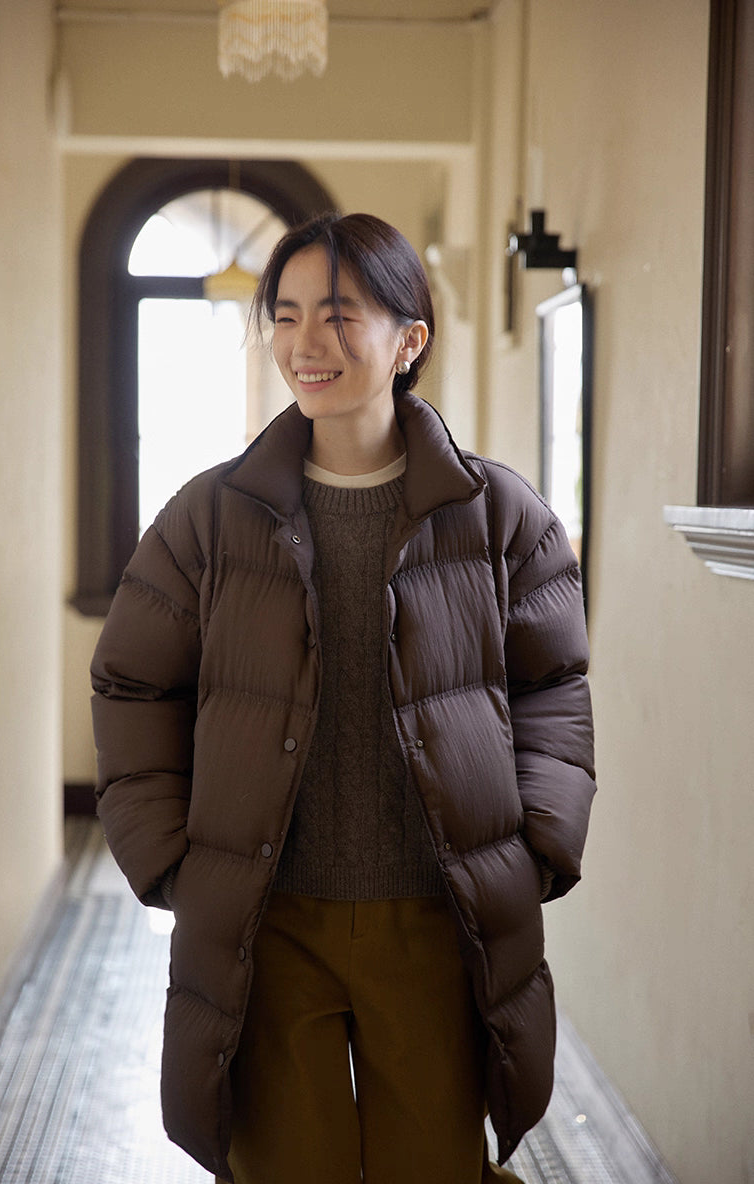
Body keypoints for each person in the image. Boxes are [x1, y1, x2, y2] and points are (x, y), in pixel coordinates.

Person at [91, 211, 596, 1184]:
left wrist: (534, 843)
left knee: (433, 1165)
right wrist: (168, 862)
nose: (303, 343)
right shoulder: (211, 514)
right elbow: (132, 681)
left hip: (435, 918)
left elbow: (553, 687)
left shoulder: (499, 515)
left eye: (337, 313)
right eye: (284, 315)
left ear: (410, 338)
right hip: (266, 920)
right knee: (286, 1164)